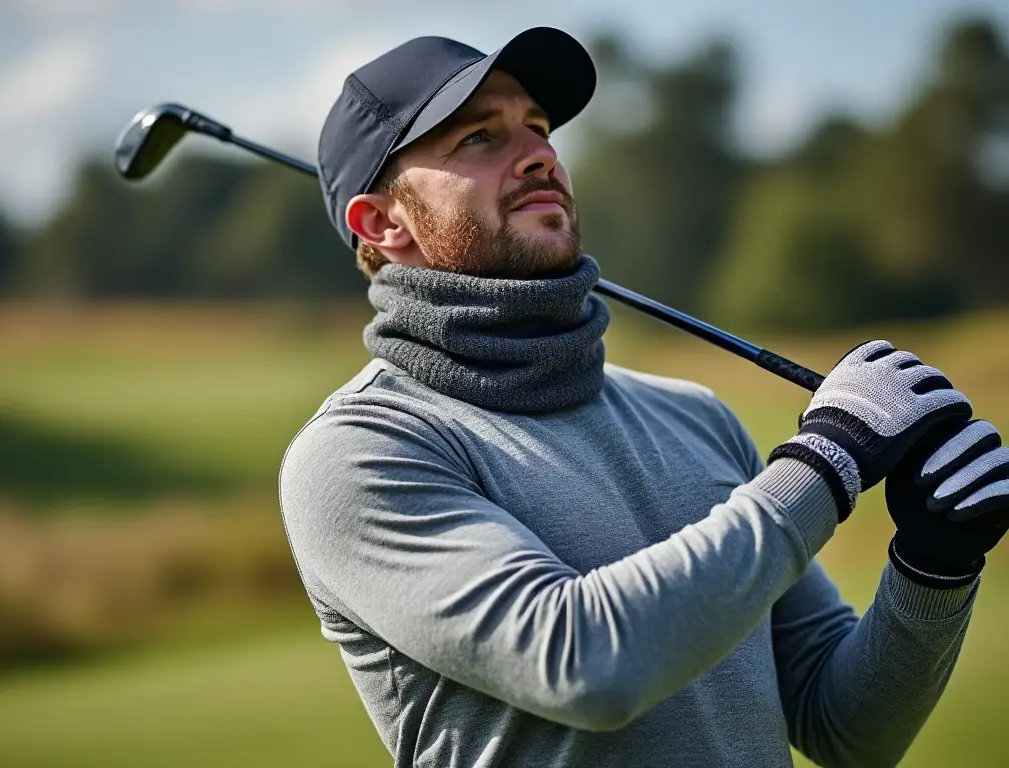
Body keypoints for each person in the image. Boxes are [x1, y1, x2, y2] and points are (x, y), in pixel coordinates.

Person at [278, 27, 1009, 767]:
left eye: (537, 126)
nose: (540, 153)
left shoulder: (694, 416)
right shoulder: (358, 451)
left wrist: (932, 566)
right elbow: (585, 667)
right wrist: (826, 463)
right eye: (478, 139)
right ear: (381, 222)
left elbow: (848, 731)